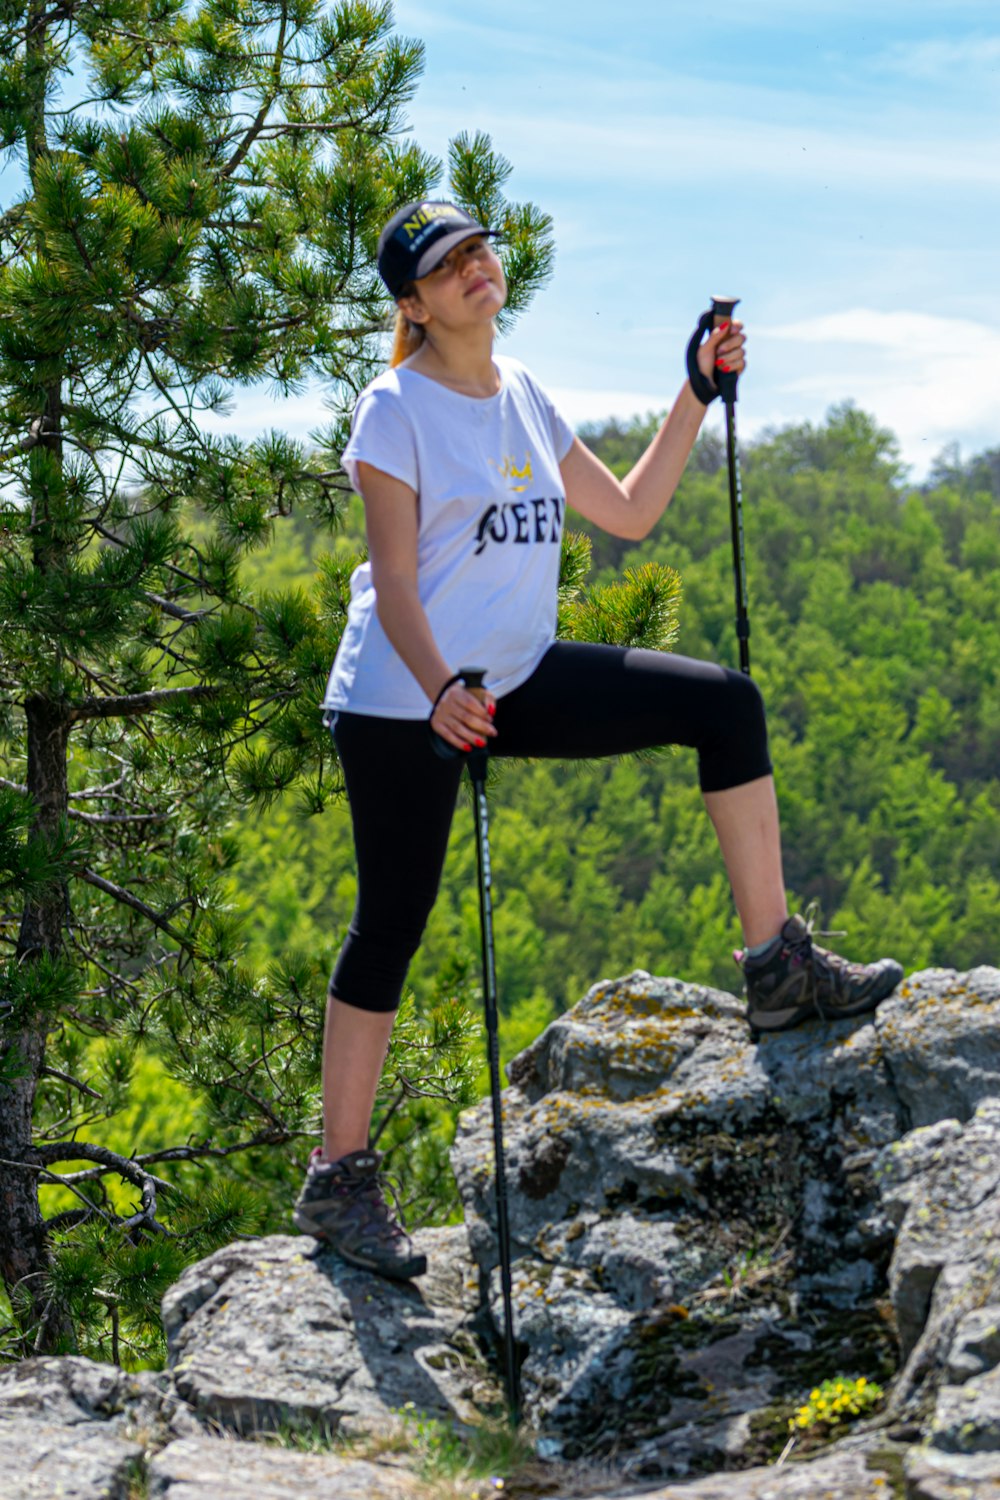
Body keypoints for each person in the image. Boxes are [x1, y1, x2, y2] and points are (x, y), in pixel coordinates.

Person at [292, 200, 904, 1280]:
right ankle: (339, 1176)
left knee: (725, 705)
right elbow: (392, 583)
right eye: (448, 262)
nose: (477, 266)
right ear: (414, 304)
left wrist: (695, 394)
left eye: (480, 248)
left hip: (513, 676)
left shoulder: (521, 390)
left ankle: (776, 967)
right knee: (391, 922)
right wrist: (439, 692)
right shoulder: (395, 409)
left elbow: (625, 511)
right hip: (402, 695)